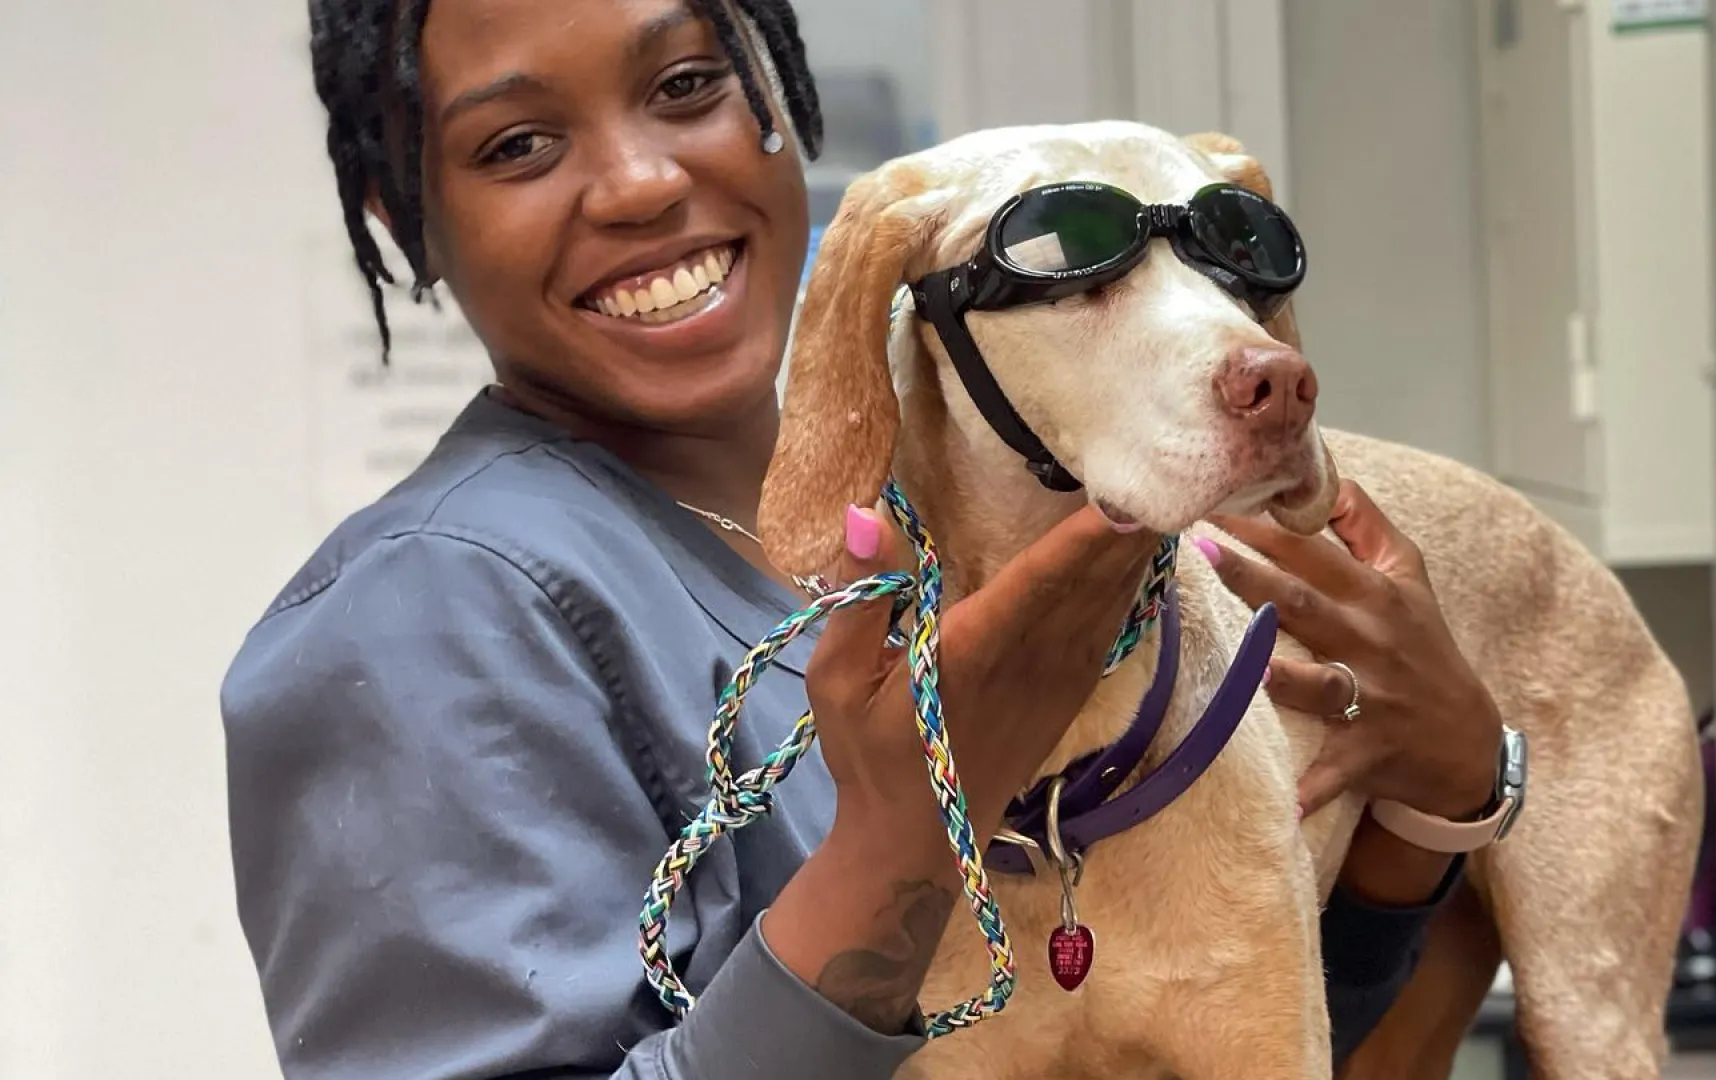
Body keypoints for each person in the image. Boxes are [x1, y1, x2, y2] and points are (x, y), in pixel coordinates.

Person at [221, 0, 1508, 1076]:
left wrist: (1438, 799)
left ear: (778, 110)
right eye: (517, 145)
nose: (641, 181)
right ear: (406, 216)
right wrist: (904, 839)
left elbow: (1154, 1028)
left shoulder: (959, 537)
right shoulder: (416, 620)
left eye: (684, 86)